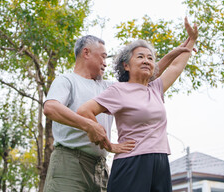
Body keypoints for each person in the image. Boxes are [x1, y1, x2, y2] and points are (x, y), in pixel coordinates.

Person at [43, 34, 191, 192]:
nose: (105, 64)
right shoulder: (67, 80)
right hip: (70, 161)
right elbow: (51, 108)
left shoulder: (111, 87)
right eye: (103, 57)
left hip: (100, 166)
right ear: (86, 53)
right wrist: (90, 126)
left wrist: (174, 53)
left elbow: (144, 77)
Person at [77, 17, 198, 192]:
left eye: (150, 58)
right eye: (140, 57)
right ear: (126, 65)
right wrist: (108, 144)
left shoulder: (155, 89)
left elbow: (176, 66)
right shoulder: (119, 90)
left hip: (160, 161)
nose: (146, 61)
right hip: (132, 161)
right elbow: (84, 111)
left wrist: (191, 40)